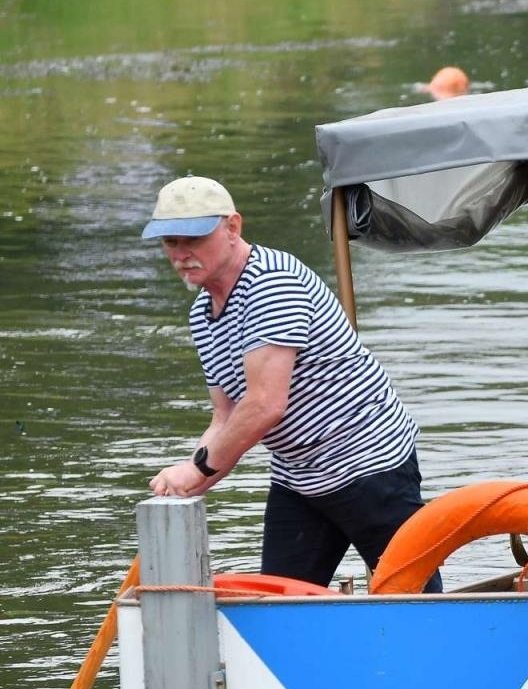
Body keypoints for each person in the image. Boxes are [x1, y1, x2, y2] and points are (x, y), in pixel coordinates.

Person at [143, 175, 440, 592]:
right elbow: (224, 417)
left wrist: (196, 470)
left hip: (369, 465)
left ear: (232, 228)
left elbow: (265, 405)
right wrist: (184, 489)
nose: (182, 253)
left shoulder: (272, 284)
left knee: (416, 600)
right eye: (171, 241)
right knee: (278, 607)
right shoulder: (202, 313)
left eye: (194, 237)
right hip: (298, 476)